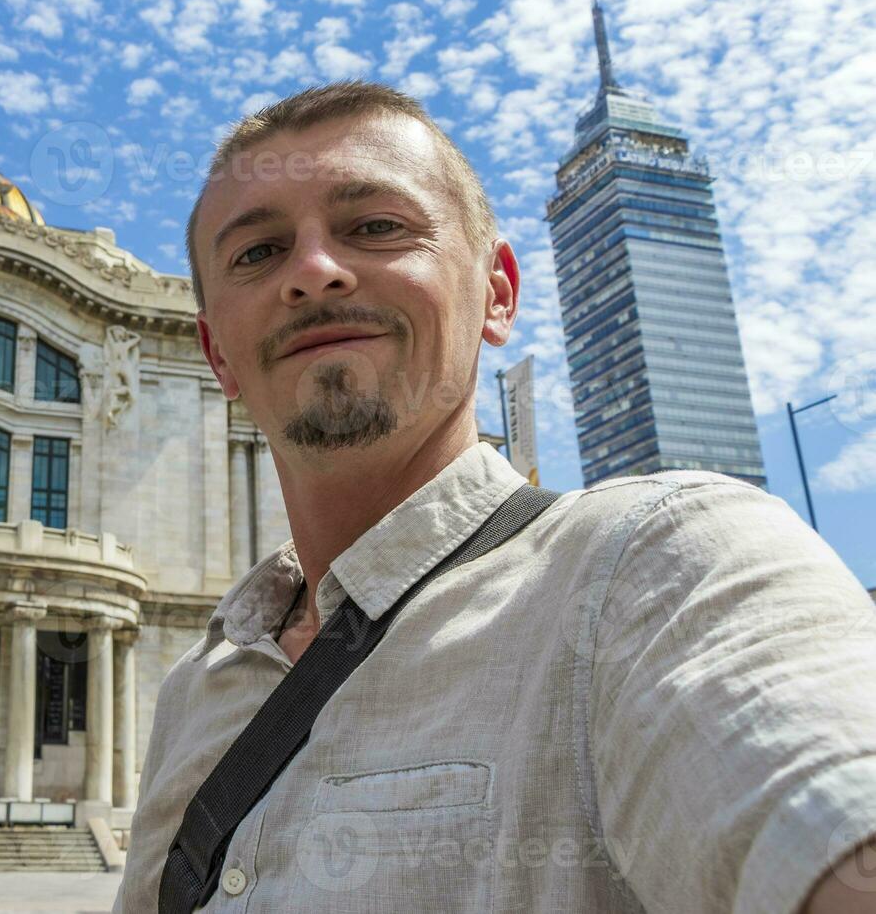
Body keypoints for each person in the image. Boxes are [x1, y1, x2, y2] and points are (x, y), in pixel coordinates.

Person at [112, 80, 876, 913]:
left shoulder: (659, 567)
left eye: (375, 227)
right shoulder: (198, 684)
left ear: (498, 293)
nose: (314, 272)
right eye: (258, 253)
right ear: (217, 354)